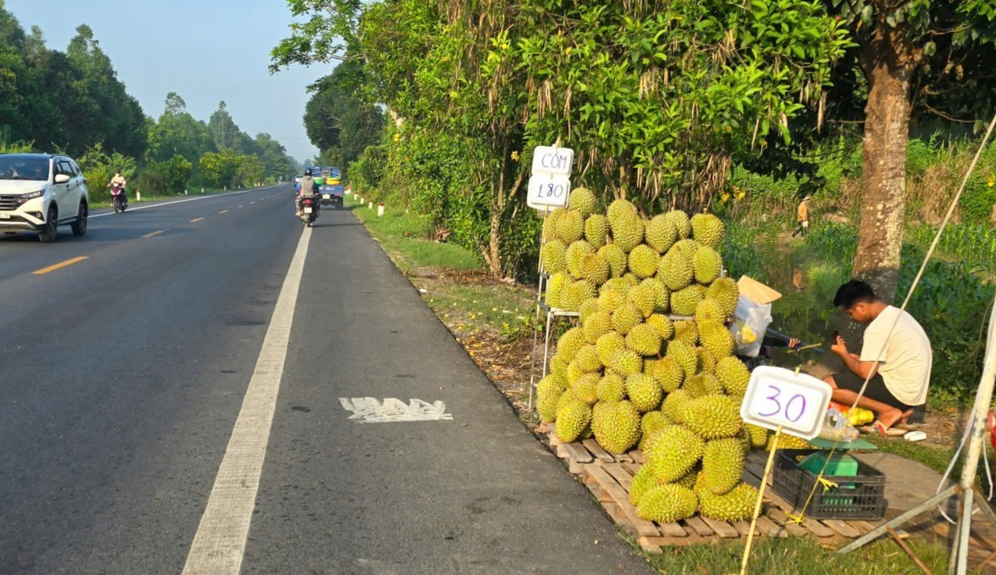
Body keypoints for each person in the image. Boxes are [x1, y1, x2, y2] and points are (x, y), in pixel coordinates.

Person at [823, 280, 932, 434]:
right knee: (849, 370)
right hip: (912, 393)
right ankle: (903, 411)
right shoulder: (898, 314)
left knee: (827, 386)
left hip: (899, 392)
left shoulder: (877, 328)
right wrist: (853, 358)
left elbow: (866, 373)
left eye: (850, 313)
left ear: (861, 307)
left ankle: (888, 411)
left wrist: (843, 354)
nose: (852, 318)